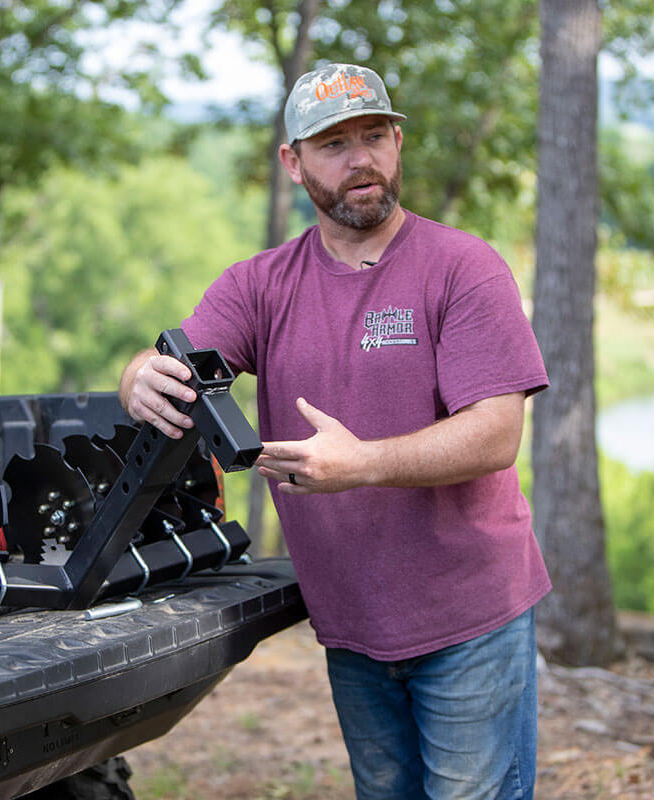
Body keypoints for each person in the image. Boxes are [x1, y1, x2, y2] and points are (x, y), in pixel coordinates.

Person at [118, 63, 550, 799]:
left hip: (470, 618)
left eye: (376, 135)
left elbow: (495, 434)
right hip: (352, 625)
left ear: (397, 143)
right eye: (334, 144)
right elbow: (178, 359)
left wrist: (363, 463)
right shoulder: (260, 286)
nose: (362, 159)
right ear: (292, 162)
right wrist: (138, 376)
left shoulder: (462, 268)